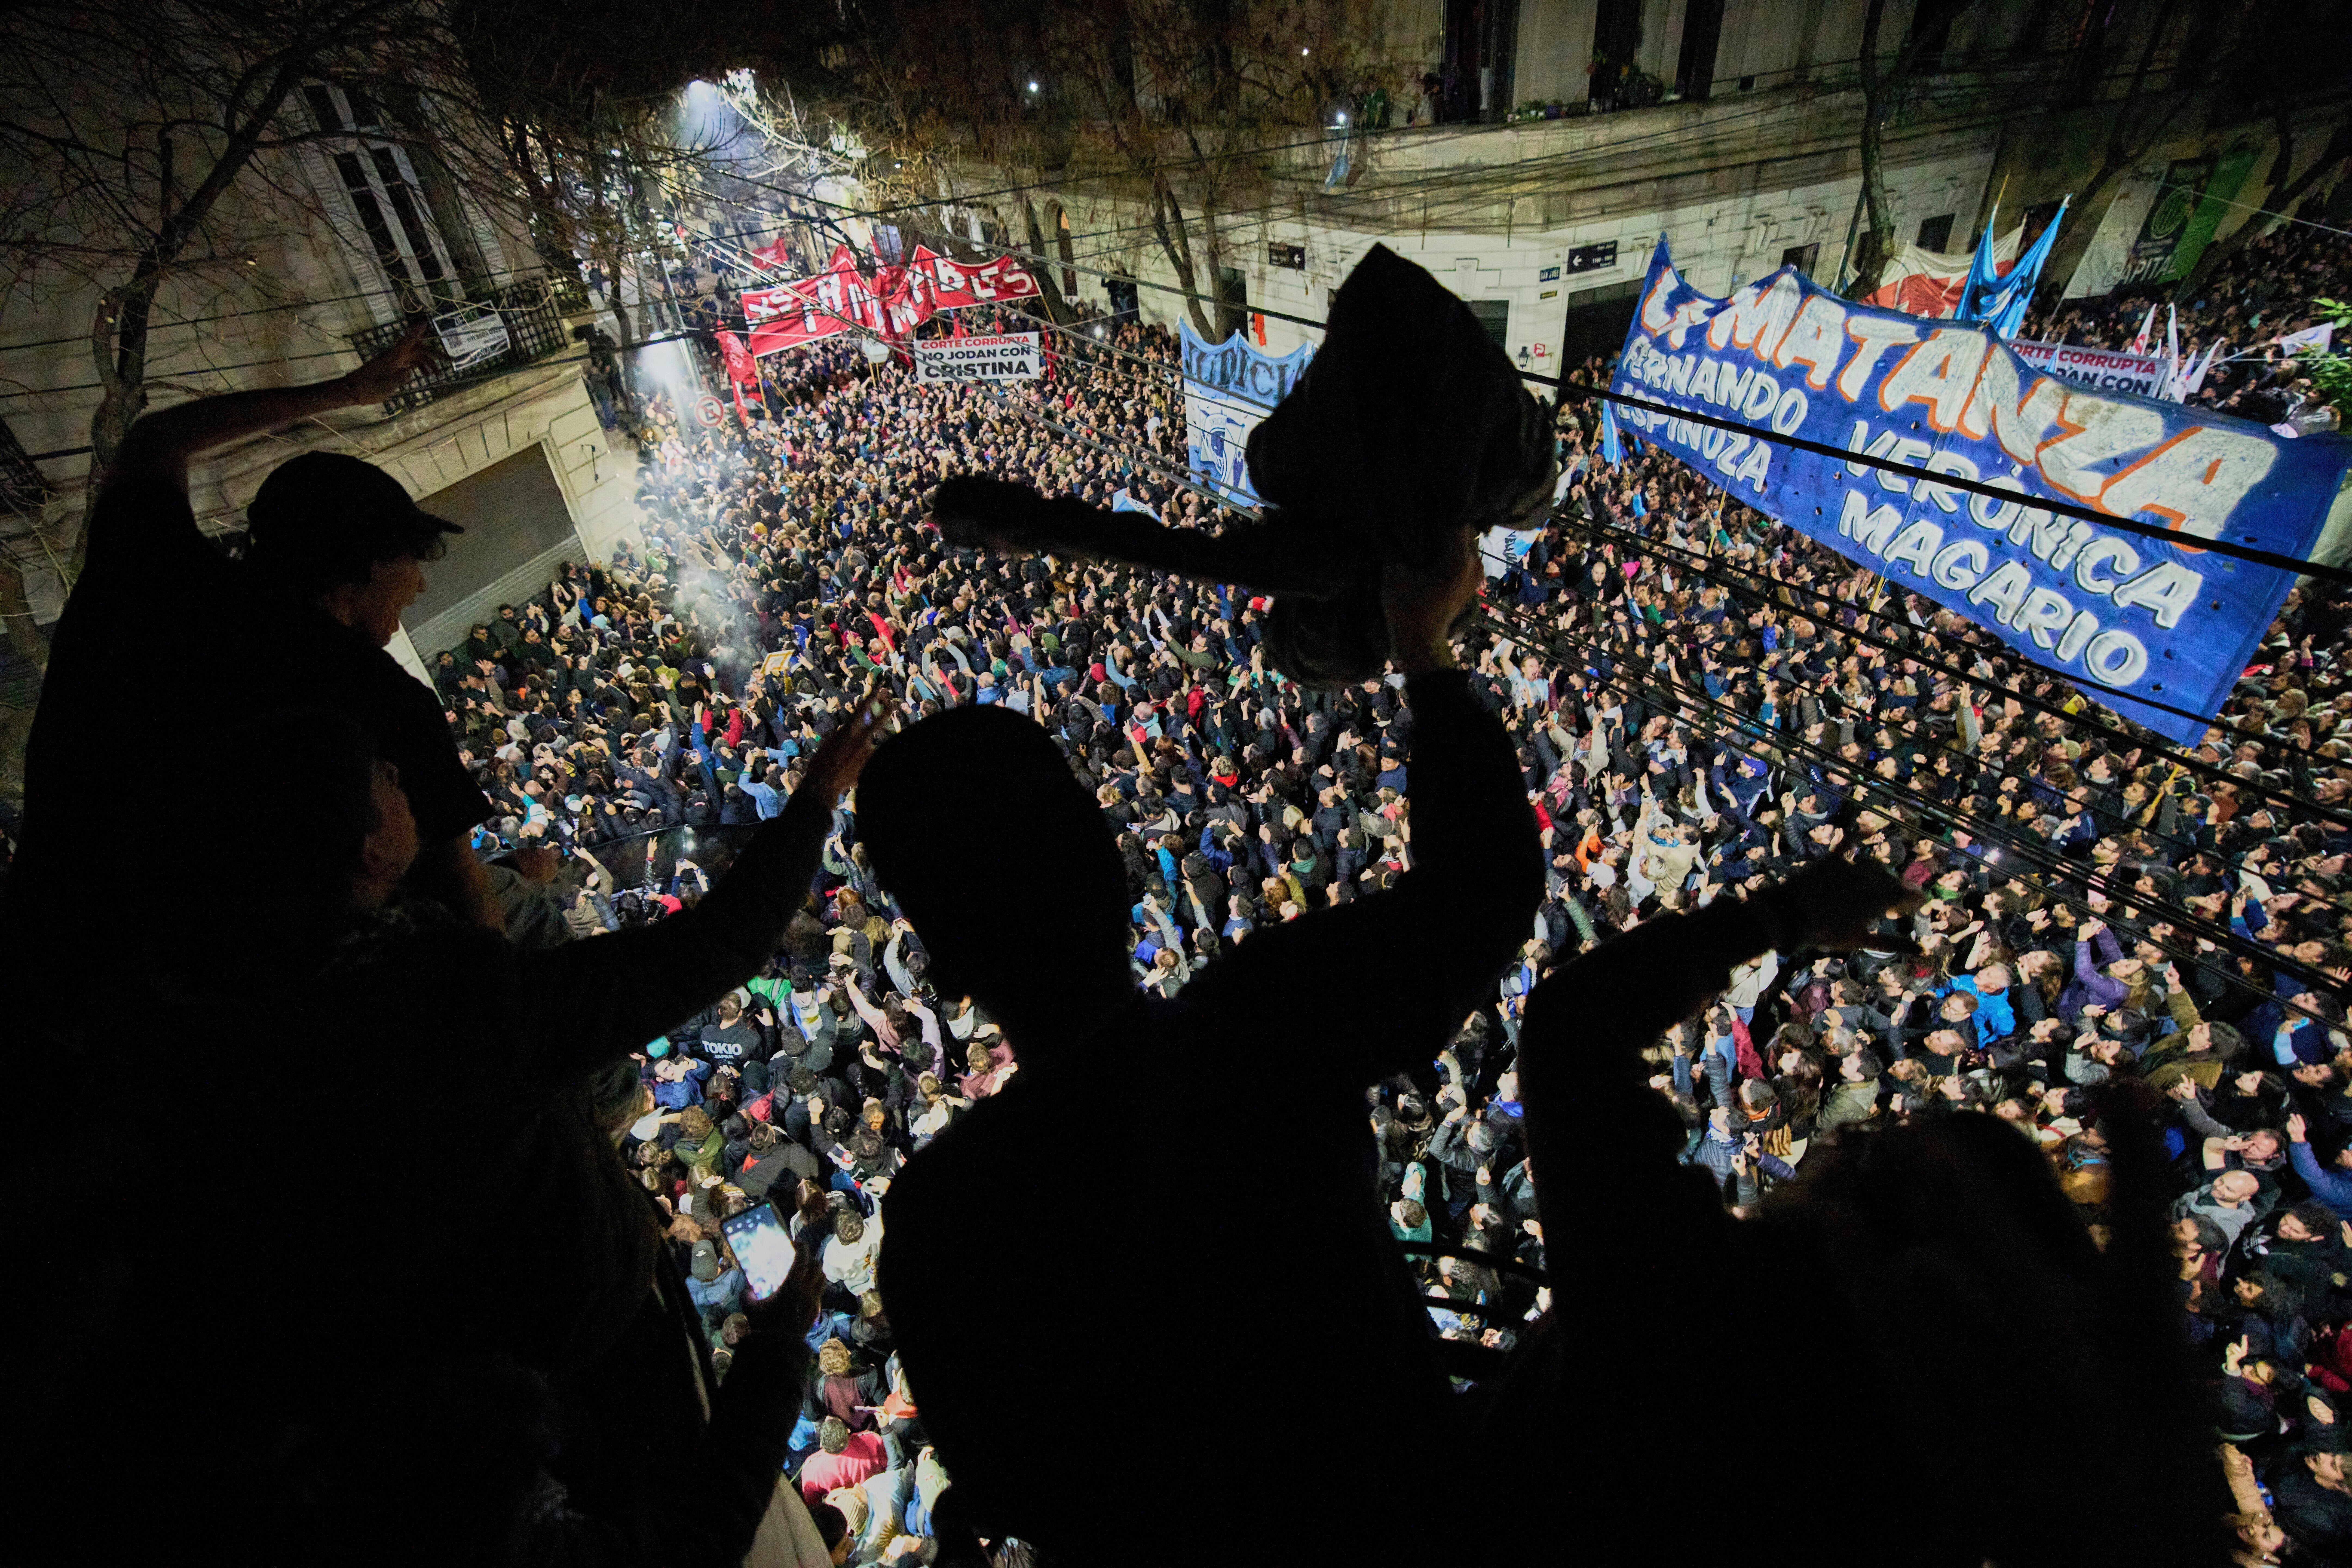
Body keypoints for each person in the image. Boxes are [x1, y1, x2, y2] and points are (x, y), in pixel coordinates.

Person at [869, 529, 1541, 1564]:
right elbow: (1479, 898)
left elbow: (1007, 1482)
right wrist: (1425, 649)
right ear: (1114, 871)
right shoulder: (1260, 1027)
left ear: (945, 966)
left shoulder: (944, 1222)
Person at [1477, 854, 2227, 1567]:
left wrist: (1780, 914)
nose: (1836, 1144)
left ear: (1866, 1204)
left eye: (1865, 1145)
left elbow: (1570, 1028)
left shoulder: (1691, 1302)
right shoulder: (1928, 1490)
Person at [6, 322, 503, 1036]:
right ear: (368, 564)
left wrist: (348, 390)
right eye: (414, 560)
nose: (421, 586)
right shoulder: (383, 699)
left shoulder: (156, 573)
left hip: (38, 956)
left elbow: (155, 441)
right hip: (174, 1030)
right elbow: (477, 916)